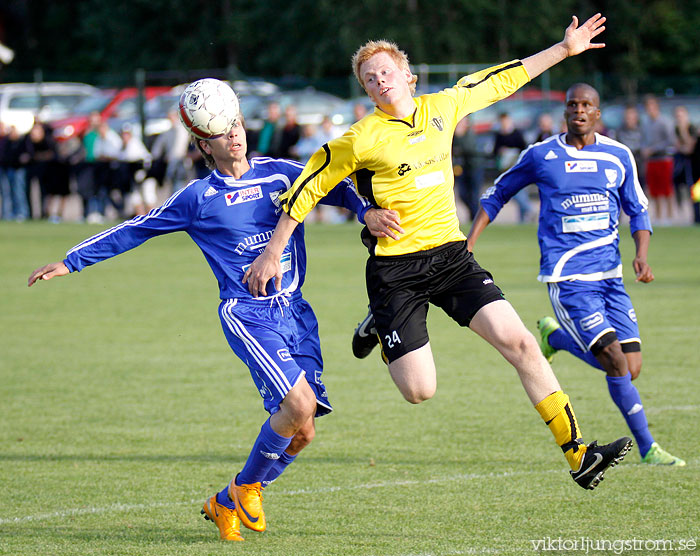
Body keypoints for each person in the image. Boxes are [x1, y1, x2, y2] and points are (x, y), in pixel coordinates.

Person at [244, 14, 635, 491]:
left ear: (409, 76)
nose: (379, 80)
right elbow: (306, 188)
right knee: (419, 391)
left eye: (386, 71)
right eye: (370, 79)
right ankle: (379, 322)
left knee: (523, 345)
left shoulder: (444, 106)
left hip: (452, 259)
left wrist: (563, 49)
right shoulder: (359, 138)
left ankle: (578, 454)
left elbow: (506, 77)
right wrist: (273, 252)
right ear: (367, 92)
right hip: (396, 273)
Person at [28, 91, 388, 541]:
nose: (233, 135)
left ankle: (226, 498)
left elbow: (334, 185)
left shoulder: (282, 173)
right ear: (204, 146)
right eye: (221, 132)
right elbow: (137, 228)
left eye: (235, 124)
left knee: (304, 432)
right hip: (248, 313)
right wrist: (73, 260)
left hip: (297, 312)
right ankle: (248, 488)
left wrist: (365, 212)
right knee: (298, 405)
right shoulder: (198, 198)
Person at [468, 83, 685, 466]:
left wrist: (643, 256)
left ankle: (556, 338)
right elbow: (497, 193)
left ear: (597, 114)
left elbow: (638, 210)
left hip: (611, 279)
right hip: (568, 277)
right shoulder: (541, 155)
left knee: (630, 368)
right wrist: (468, 244)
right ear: (566, 111)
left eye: (587, 105)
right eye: (572, 104)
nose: (579, 111)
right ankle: (649, 449)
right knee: (615, 362)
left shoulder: (619, 156)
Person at [641, 95, 675, 225]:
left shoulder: (665, 122)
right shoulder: (645, 123)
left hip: (664, 159)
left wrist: (653, 149)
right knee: (654, 190)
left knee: (666, 189)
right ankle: (659, 216)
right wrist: (644, 149)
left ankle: (670, 217)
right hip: (651, 160)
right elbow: (643, 140)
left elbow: (670, 141)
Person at [492, 111, 532, 222]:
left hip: (518, 168)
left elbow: (524, 149)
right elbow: (494, 151)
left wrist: (512, 152)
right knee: (516, 193)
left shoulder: (517, 134)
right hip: (505, 169)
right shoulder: (499, 135)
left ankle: (527, 212)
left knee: (519, 192)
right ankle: (525, 217)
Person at [452, 115, 483, 221]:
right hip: (462, 169)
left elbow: (468, 149)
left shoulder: (469, 134)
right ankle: (474, 215)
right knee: (463, 194)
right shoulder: (455, 135)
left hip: (474, 168)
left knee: (474, 195)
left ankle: (475, 218)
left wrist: (459, 137)